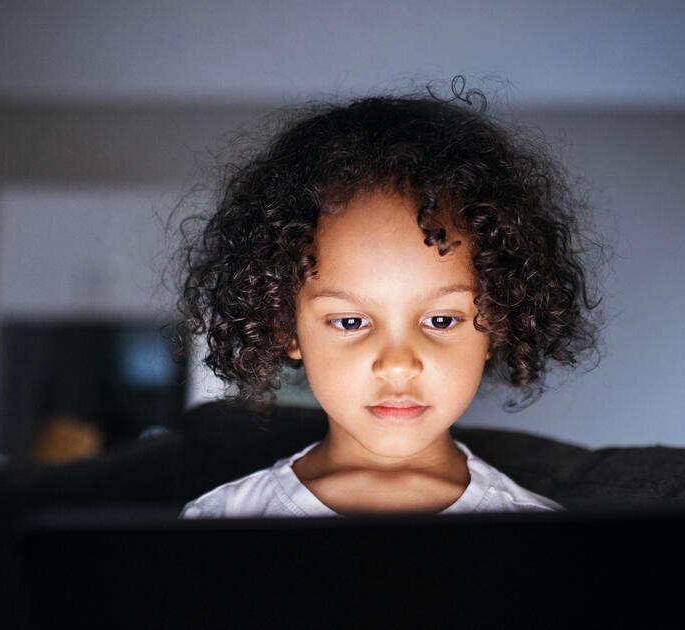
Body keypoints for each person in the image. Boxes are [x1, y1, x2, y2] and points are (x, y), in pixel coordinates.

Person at [177, 80, 599, 518]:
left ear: (497, 323)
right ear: (284, 324)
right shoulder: (220, 518)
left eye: (440, 320)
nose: (398, 364)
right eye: (350, 322)